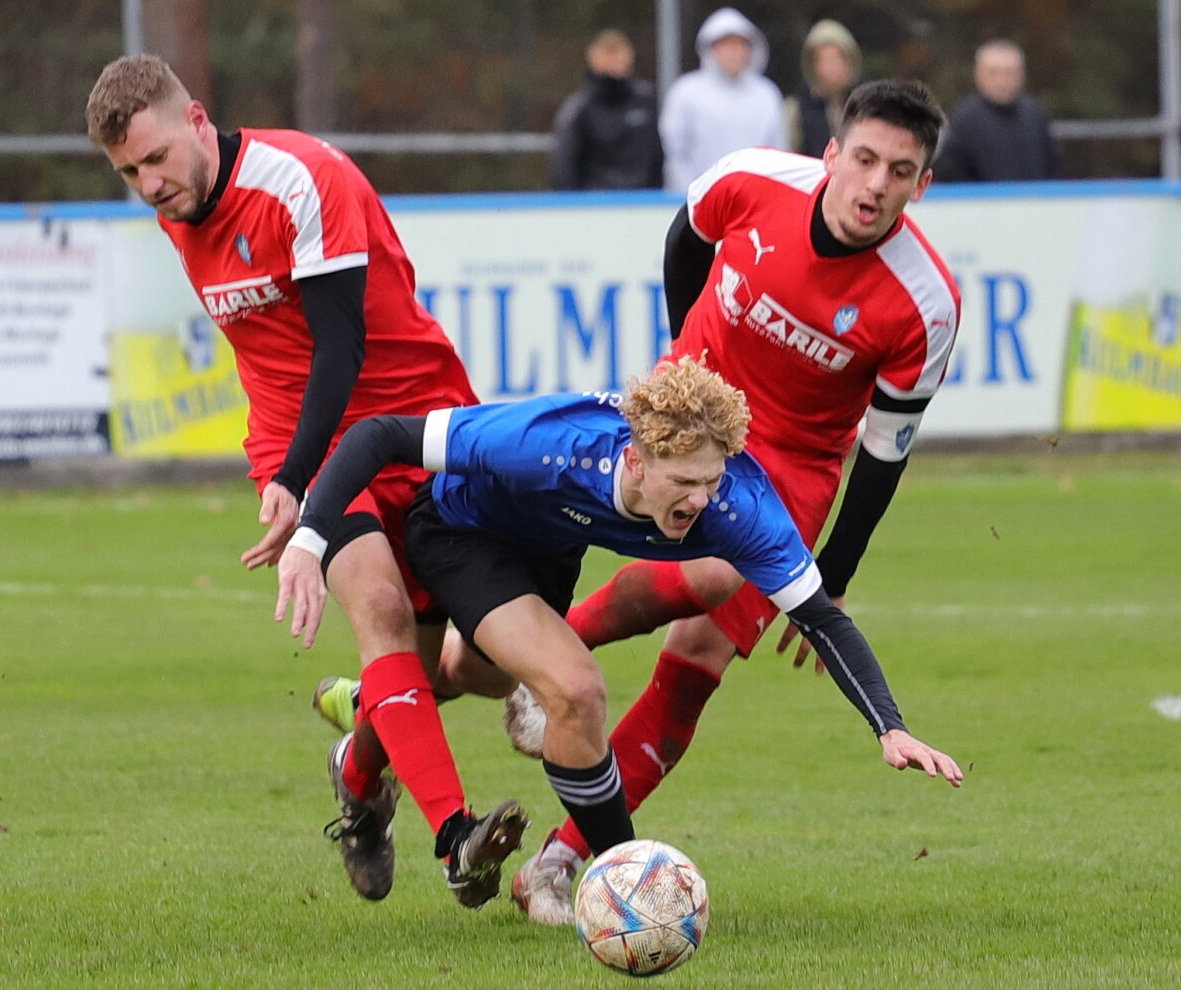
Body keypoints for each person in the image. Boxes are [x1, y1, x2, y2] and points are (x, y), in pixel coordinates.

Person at [500, 78, 962, 924]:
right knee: (707, 577)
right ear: (831, 154)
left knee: (699, 667)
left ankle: (560, 863)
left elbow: (886, 450)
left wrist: (835, 572)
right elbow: (686, 239)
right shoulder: (751, 178)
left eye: (900, 171)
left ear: (921, 185)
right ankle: (529, 672)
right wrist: (682, 363)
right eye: (863, 159)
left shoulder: (926, 304)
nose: (874, 186)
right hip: (700, 413)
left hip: (796, 463)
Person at [276, 357, 963, 917]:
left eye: (711, 479)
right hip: (460, 534)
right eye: (684, 482)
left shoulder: (737, 504)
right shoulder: (550, 441)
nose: (699, 500)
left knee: (478, 675)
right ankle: (627, 884)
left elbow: (820, 617)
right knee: (575, 690)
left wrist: (889, 726)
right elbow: (380, 436)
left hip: (546, 556)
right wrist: (310, 539)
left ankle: (366, 736)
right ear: (635, 463)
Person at [84, 54, 528, 910]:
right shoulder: (179, 212)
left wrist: (293, 473)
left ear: (198, 119)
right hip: (314, 449)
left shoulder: (302, 180)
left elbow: (341, 349)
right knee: (383, 615)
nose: (147, 183)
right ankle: (455, 841)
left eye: (155, 158)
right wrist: (293, 474)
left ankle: (358, 765)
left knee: (472, 667)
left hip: (421, 431)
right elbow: (281, 364)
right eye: (128, 171)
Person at [658, 7, 787, 193]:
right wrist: (690, 196)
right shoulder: (686, 92)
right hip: (699, 201)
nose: (735, 52)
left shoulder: (766, 94)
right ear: (711, 48)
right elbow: (674, 152)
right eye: (727, 45)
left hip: (755, 201)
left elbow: (779, 151)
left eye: (742, 45)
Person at [548, 29, 663, 191]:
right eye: (609, 55)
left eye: (619, 55)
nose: (615, 62)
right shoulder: (579, 109)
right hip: (596, 206)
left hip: (643, 201)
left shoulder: (646, 101)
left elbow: (658, 154)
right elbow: (564, 168)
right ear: (593, 59)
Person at [934, 39, 1058, 182]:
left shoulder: (1034, 113)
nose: (1002, 81)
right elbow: (951, 174)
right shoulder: (965, 119)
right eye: (993, 73)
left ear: (1022, 75)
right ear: (978, 74)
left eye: (1010, 73)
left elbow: (1052, 167)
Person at [786, 19, 863, 158]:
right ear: (813, 65)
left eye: (837, 58)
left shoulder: (864, 103)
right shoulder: (797, 107)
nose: (831, 67)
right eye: (824, 60)